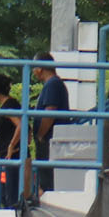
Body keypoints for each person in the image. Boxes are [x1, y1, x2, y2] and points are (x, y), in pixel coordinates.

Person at [30, 53, 69, 192]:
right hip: (51, 140)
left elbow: (50, 112)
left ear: (40, 68)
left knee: (47, 180)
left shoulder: (52, 84)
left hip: (49, 140)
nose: (33, 72)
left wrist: (40, 135)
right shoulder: (54, 84)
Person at [0, 74, 21, 208]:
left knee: (10, 195)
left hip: (11, 156)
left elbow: (21, 125)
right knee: (5, 194)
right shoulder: (9, 105)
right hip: (7, 156)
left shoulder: (9, 106)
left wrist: (12, 145)